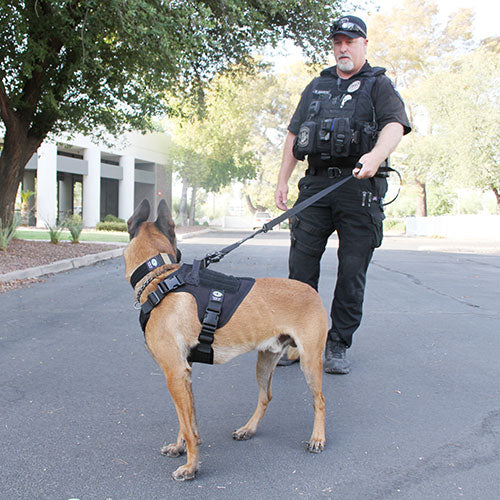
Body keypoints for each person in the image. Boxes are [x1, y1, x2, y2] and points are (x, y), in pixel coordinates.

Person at [275, 15, 411, 374]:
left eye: (350, 41)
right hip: (316, 185)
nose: (343, 48)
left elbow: (395, 126)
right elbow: (293, 135)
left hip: (358, 185)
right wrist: (282, 180)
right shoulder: (317, 86)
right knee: (300, 268)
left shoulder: (378, 85)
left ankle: (337, 344)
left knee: (352, 270)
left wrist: (375, 156)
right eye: (337, 41)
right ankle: (297, 339)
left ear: (364, 43)